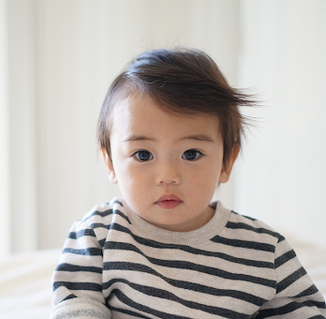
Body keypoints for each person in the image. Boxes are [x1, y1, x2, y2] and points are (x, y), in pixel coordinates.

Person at [50, 48, 326, 318]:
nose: (168, 175)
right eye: (143, 154)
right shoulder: (98, 232)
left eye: (191, 154)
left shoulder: (264, 250)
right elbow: (76, 304)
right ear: (110, 163)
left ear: (226, 162)